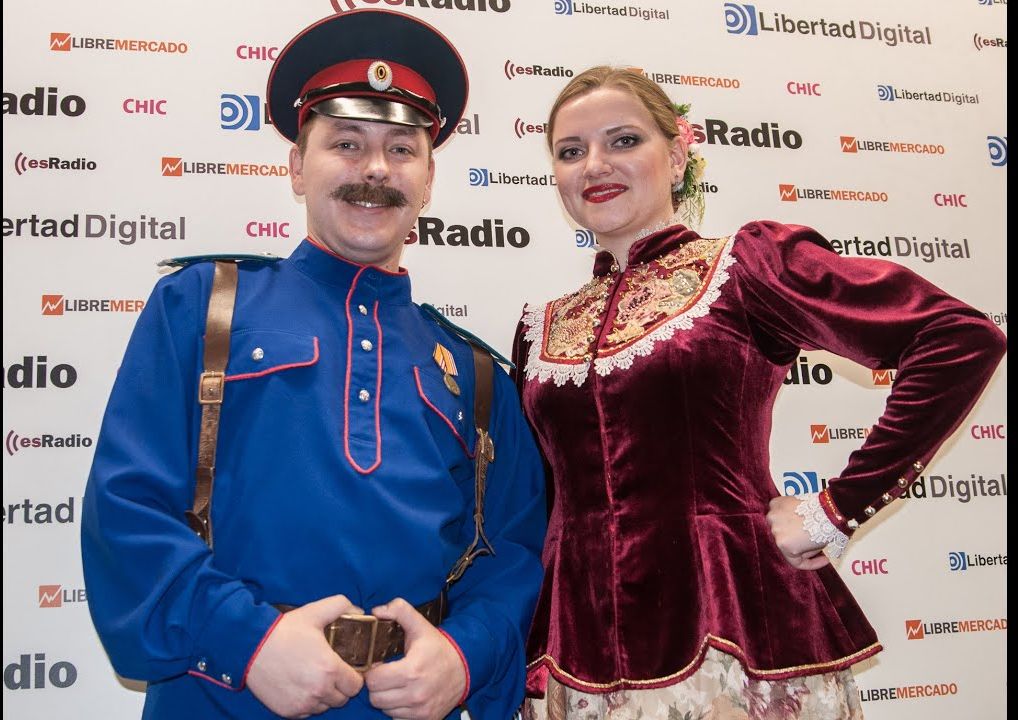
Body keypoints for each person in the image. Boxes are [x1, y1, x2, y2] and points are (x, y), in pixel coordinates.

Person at [80, 10, 546, 719]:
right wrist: (247, 642)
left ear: (428, 179)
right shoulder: (203, 305)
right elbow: (125, 507)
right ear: (298, 167)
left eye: (402, 149)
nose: (375, 170)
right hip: (222, 696)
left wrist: (463, 657)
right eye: (346, 144)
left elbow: (511, 552)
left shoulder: (476, 372)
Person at [513, 66, 1006, 719]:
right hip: (580, 652)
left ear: (678, 155)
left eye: (623, 140)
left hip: (738, 633)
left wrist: (835, 509)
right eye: (571, 150)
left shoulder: (748, 266)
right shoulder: (543, 326)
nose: (595, 164)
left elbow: (958, 339)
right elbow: (540, 502)